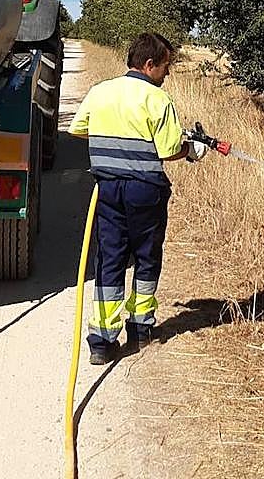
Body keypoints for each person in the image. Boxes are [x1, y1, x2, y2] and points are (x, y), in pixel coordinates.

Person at [69, 32, 207, 364]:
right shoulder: (158, 99)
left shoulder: (100, 91)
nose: (167, 73)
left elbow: (78, 128)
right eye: (165, 66)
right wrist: (193, 150)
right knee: (146, 257)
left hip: (108, 189)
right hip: (145, 190)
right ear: (149, 64)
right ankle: (140, 328)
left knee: (110, 258)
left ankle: (102, 341)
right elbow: (169, 149)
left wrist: (113, 140)